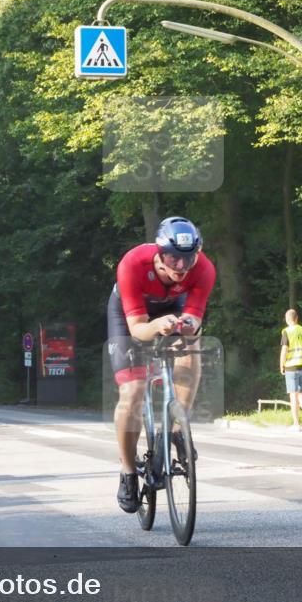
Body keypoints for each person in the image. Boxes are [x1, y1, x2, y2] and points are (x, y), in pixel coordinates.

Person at [108, 217, 216, 513]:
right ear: (159, 253)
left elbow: (194, 319)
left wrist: (188, 324)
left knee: (190, 346)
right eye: (173, 258)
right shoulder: (132, 264)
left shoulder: (204, 269)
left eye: (188, 259)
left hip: (173, 308)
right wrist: (156, 325)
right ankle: (128, 472)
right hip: (132, 317)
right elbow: (138, 330)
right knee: (132, 393)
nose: (181, 267)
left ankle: (179, 427)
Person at [279, 309, 302, 430]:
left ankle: (296, 424)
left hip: (291, 366)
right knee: (300, 392)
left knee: (293, 395)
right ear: (297, 318)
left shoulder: (286, 331)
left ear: (287, 319)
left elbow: (284, 350)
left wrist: (282, 365)